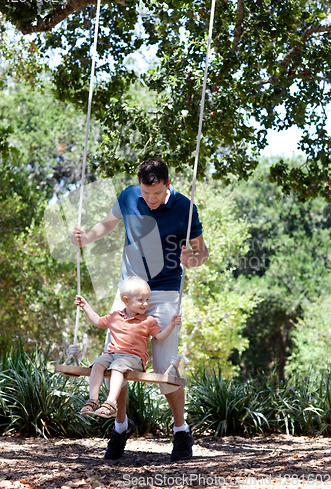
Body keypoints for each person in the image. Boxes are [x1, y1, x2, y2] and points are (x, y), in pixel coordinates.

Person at [71, 157, 209, 461]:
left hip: (164, 292)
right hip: (129, 290)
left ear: (167, 185)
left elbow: (202, 252)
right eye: (147, 194)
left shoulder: (185, 208)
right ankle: (120, 427)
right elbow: (108, 224)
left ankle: (181, 430)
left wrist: (192, 259)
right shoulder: (129, 196)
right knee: (115, 360)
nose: (151, 200)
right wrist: (86, 238)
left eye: (157, 194)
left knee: (163, 368)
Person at [75, 276, 181, 418]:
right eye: (141, 300)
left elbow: (160, 336)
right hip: (113, 354)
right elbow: (97, 321)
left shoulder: (148, 321)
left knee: (117, 367)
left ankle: (111, 403)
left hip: (133, 358)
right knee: (98, 364)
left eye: (147, 300)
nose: (145, 304)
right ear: (126, 301)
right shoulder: (115, 316)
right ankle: (93, 401)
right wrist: (85, 306)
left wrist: (171, 325)